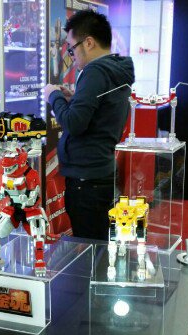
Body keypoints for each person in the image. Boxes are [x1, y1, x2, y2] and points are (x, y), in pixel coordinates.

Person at [42, 10, 134, 241]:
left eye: (72, 48)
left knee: (90, 246)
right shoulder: (115, 69)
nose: (71, 55)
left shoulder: (95, 72)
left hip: (87, 181)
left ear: (89, 43)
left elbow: (74, 123)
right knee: (99, 241)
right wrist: (75, 98)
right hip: (99, 172)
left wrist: (54, 96)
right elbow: (101, 111)